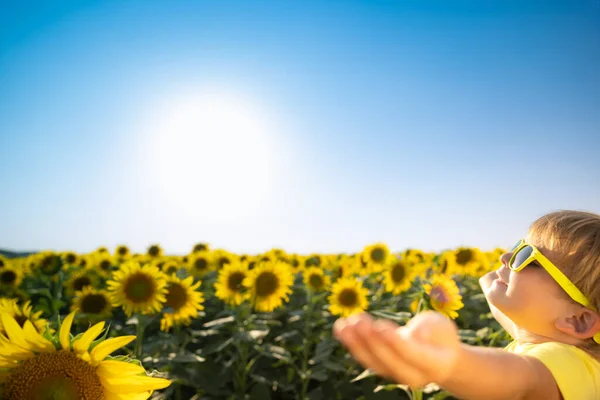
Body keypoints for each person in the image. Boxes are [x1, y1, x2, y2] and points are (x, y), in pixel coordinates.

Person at [333, 210, 600, 399]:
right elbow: (498, 306)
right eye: (518, 245)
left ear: (579, 320)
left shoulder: (566, 363)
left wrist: (452, 363)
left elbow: (515, 379)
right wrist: (494, 285)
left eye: (528, 256)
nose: (507, 256)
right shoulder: (549, 335)